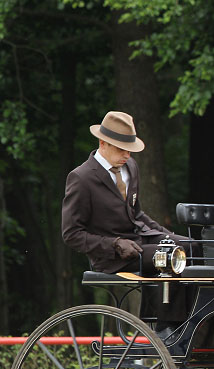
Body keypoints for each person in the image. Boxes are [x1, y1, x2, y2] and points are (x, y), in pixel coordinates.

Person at [62, 110, 187, 275]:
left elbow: (136, 214)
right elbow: (71, 234)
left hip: (139, 239)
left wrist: (166, 234)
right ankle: (161, 302)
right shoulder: (81, 178)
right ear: (102, 143)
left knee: (191, 246)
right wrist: (114, 244)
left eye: (130, 149)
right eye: (122, 149)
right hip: (112, 258)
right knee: (172, 256)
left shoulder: (131, 166)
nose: (127, 155)